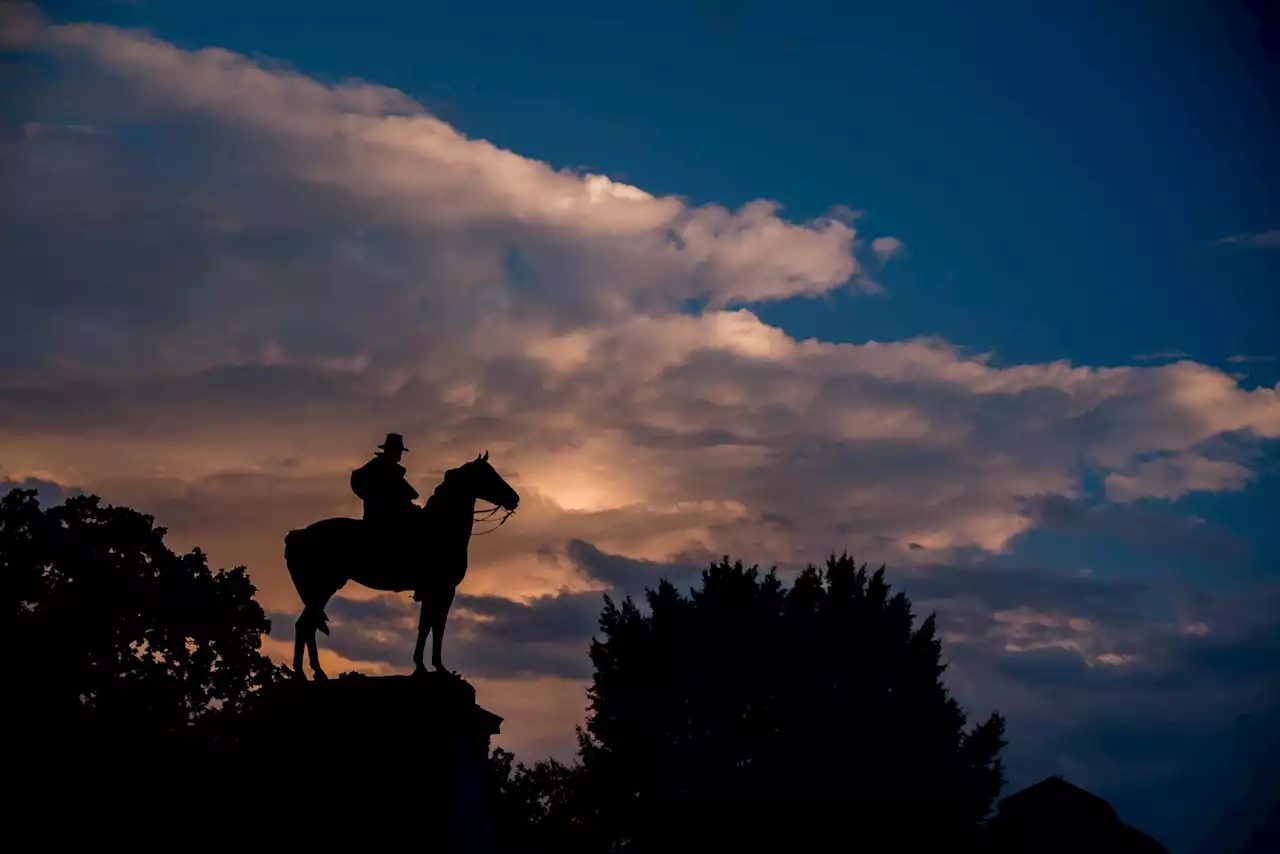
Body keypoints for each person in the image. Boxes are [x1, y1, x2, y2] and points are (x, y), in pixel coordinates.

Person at [350, 433, 420, 550]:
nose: (400, 455)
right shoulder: (382, 468)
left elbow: (406, 495)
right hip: (383, 519)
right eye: (399, 451)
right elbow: (398, 497)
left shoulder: (388, 468)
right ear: (393, 451)